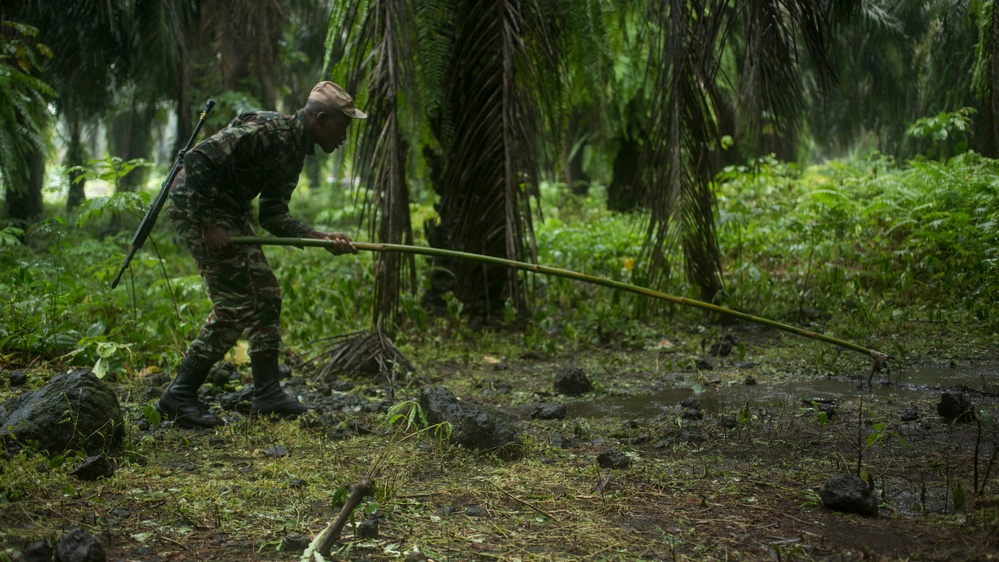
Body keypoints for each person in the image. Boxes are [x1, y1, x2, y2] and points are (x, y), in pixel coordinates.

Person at [156, 81, 364, 428]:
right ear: (322, 119)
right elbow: (197, 160)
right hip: (195, 203)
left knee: (266, 294)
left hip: (229, 210)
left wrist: (321, 237)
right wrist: (207, 223)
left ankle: (267, 394)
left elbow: (273, 215)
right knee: (235, 305)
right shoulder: (269, 130)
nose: (344, 137)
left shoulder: (294, 149)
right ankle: (178, 395)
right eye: (343, 127)